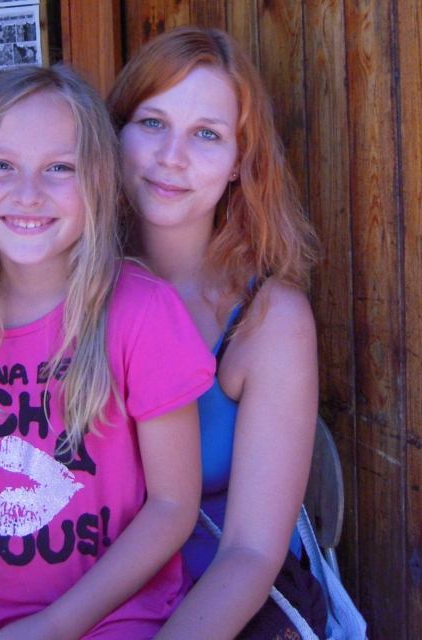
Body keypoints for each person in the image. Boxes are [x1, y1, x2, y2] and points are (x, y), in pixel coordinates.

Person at [0, 64, 214, 640]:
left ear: (98, 182)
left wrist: (52, 627)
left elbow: (173, 506)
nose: (27, 194)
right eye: (0, 166)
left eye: (59, 168)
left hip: (106, 620)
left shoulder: (143, 315)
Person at [107, 26, 326, 640]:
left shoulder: (268, 318)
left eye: (206, 134)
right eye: (152, 123)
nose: (171, 156)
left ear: (239, 163)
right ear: (114, 134)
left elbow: (250, 555)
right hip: (86, 606)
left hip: (217, 608)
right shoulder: (65, 289)